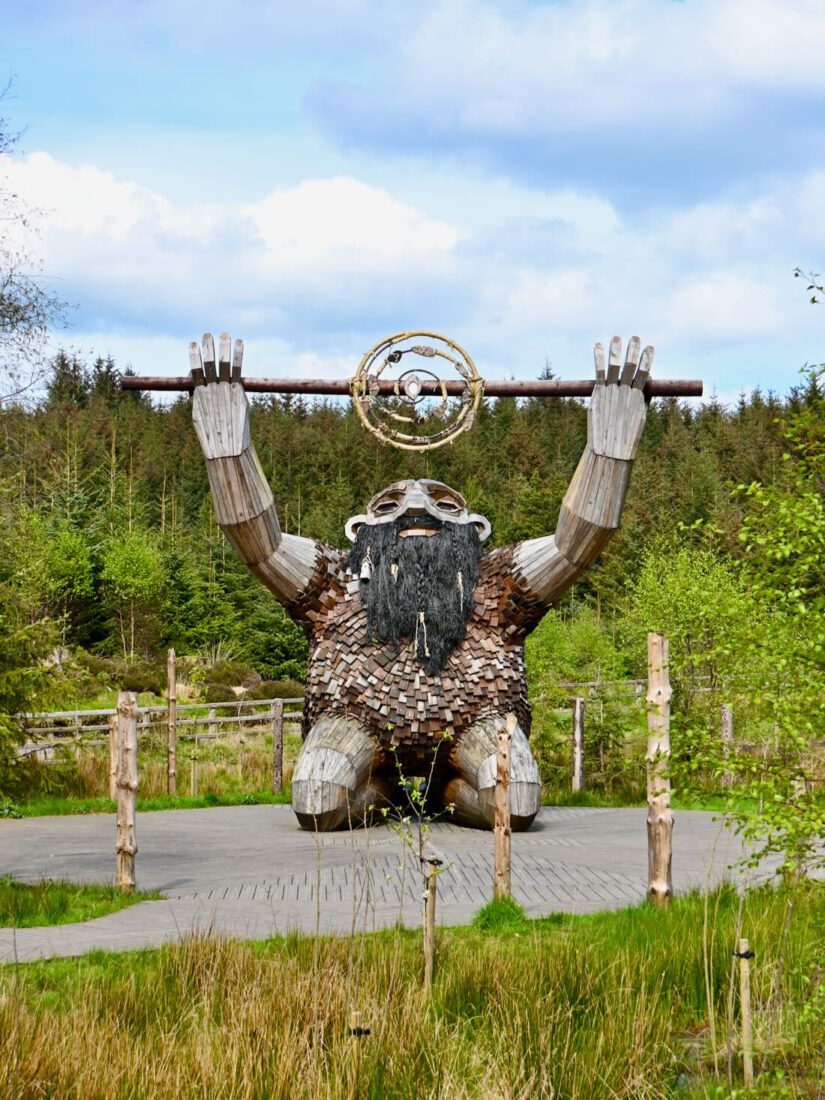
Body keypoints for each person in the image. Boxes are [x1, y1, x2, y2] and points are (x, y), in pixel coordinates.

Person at [191, 333, 653, 831]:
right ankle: (383, 792)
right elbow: (258, 540)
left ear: (474, 530)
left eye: (442, 503)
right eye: (391, 505)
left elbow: (575, 543)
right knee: (317, 797)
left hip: (479, 723)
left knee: (513, 800)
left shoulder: (497, 585)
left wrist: (608, 449)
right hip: (353, 722)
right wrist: (227, 449)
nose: (416, 506)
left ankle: (445, 793)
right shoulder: (334, 582)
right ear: (359, 531)